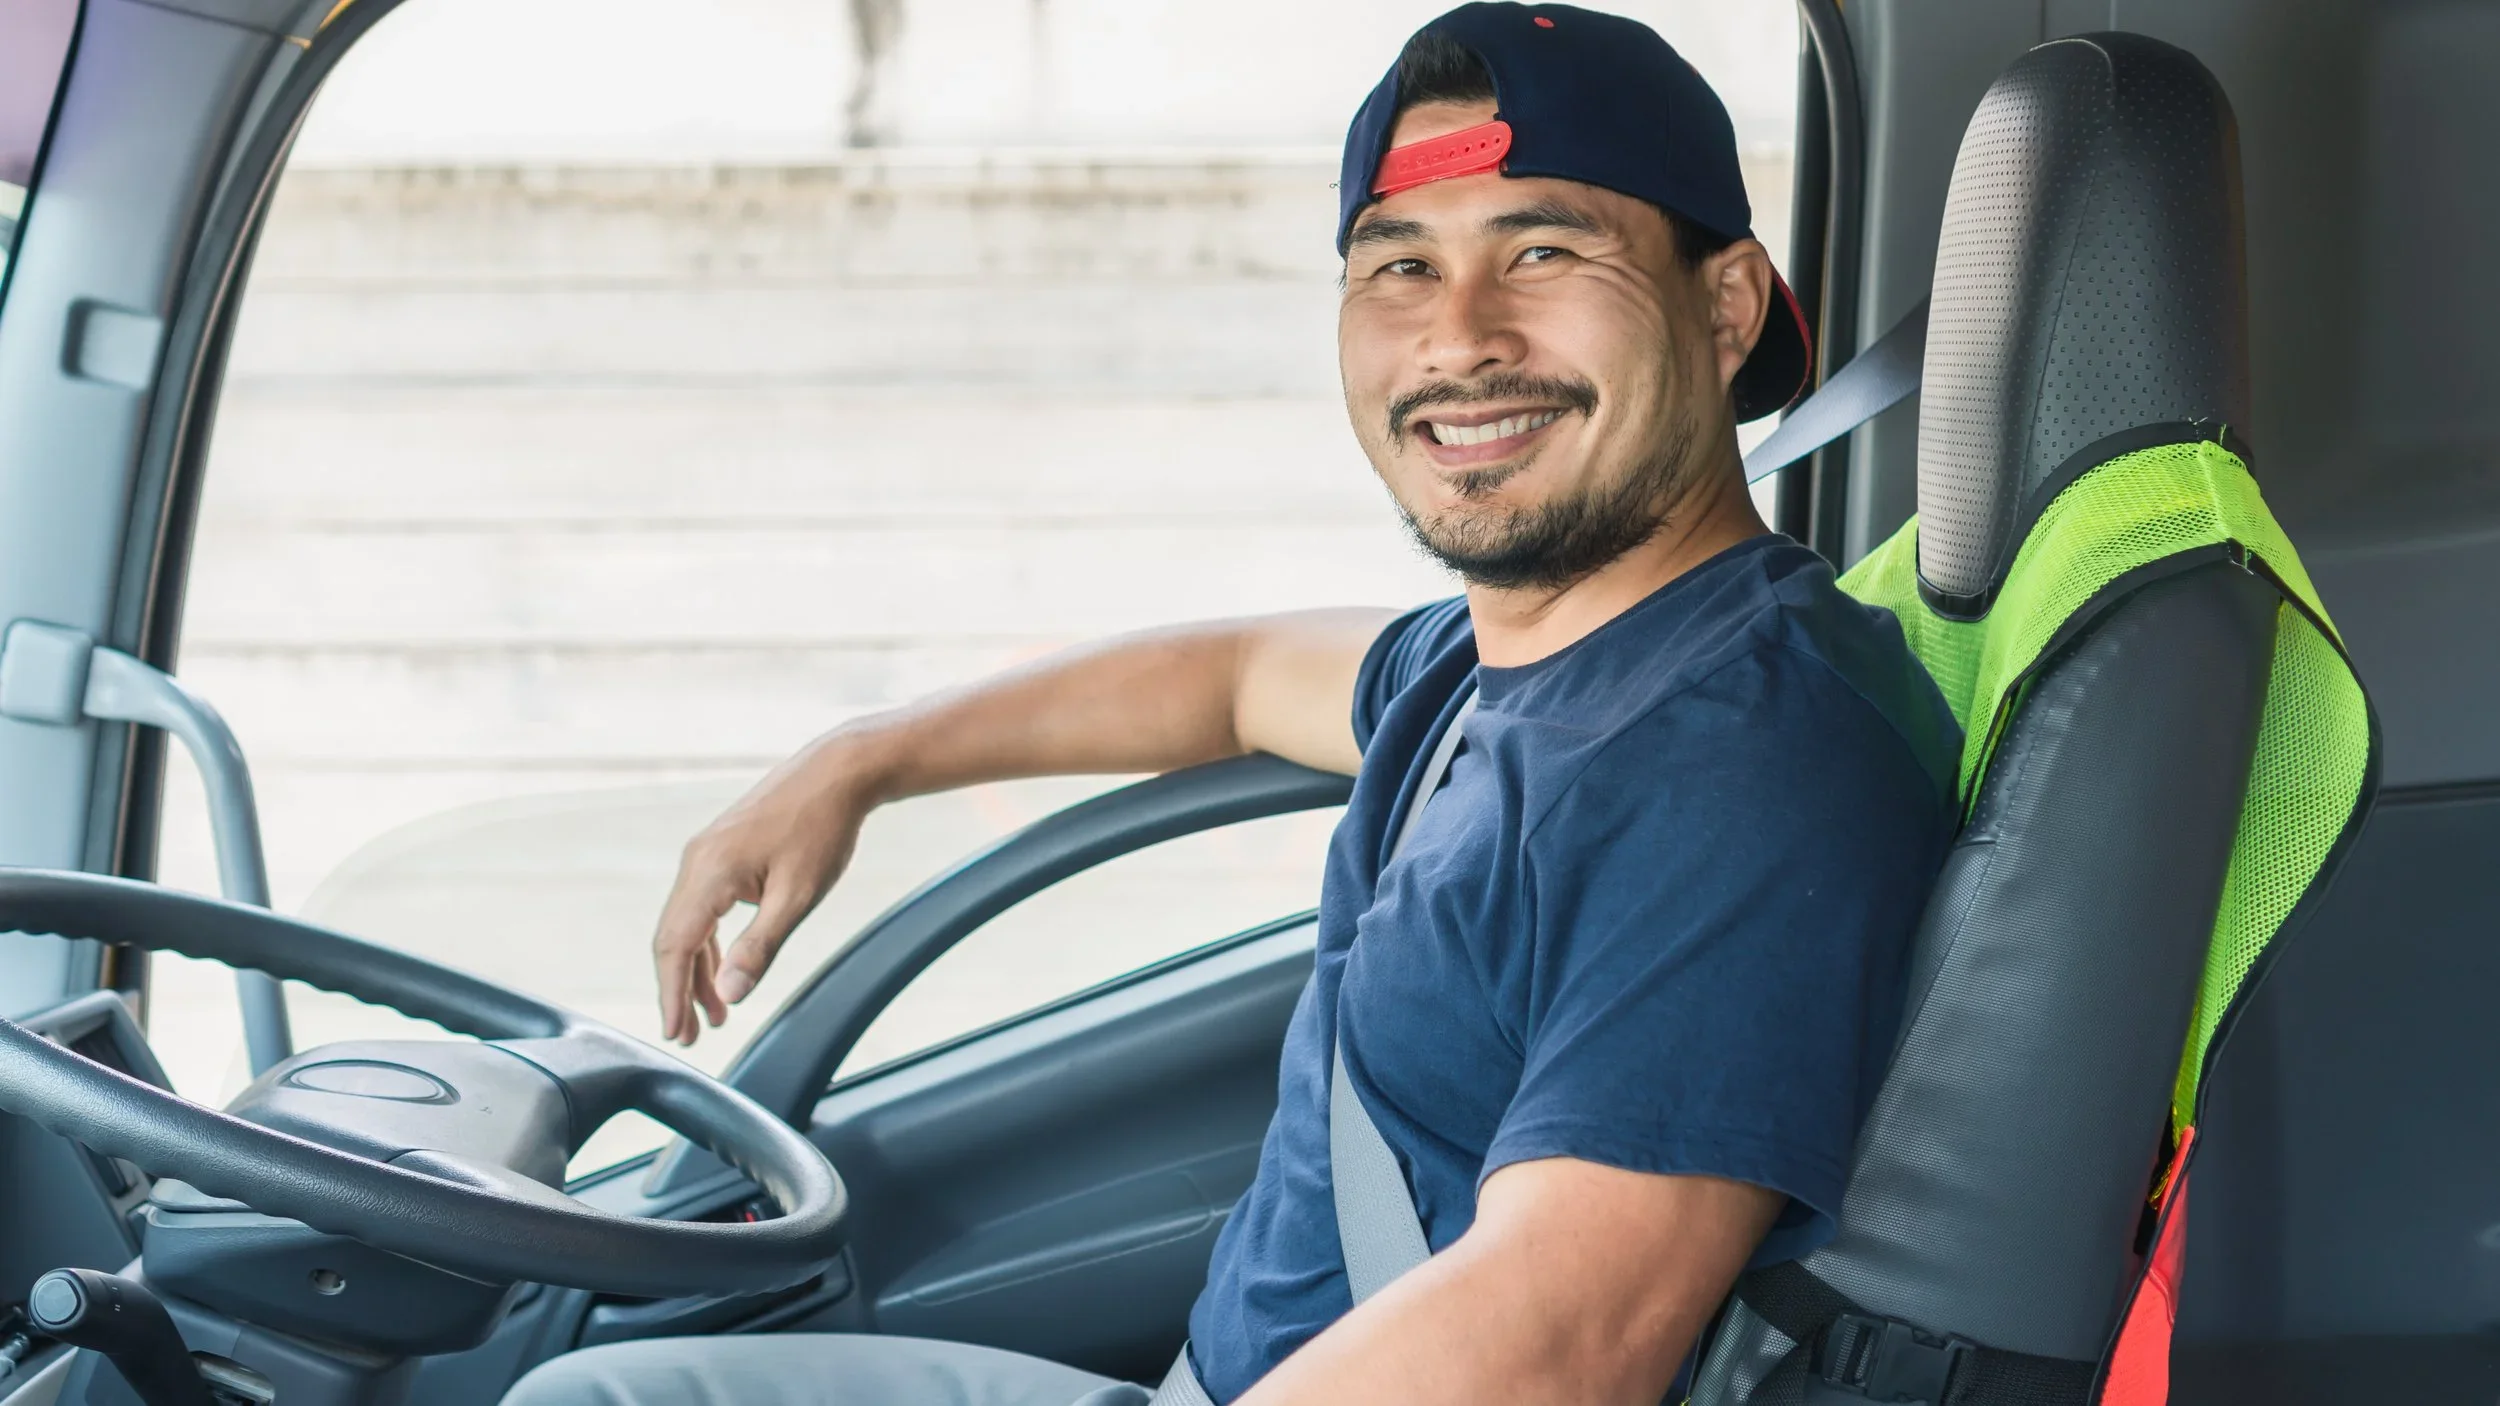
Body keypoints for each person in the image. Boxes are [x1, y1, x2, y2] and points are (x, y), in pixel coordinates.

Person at [504, 5, 1959, 1404]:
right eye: (1398, 266)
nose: (1457, 336)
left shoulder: (1741, 765)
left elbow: (1561, 1350)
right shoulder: (1507, 661)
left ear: (1726, 305)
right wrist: (860, 761)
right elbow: (1239, 675)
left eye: (1543, 249)